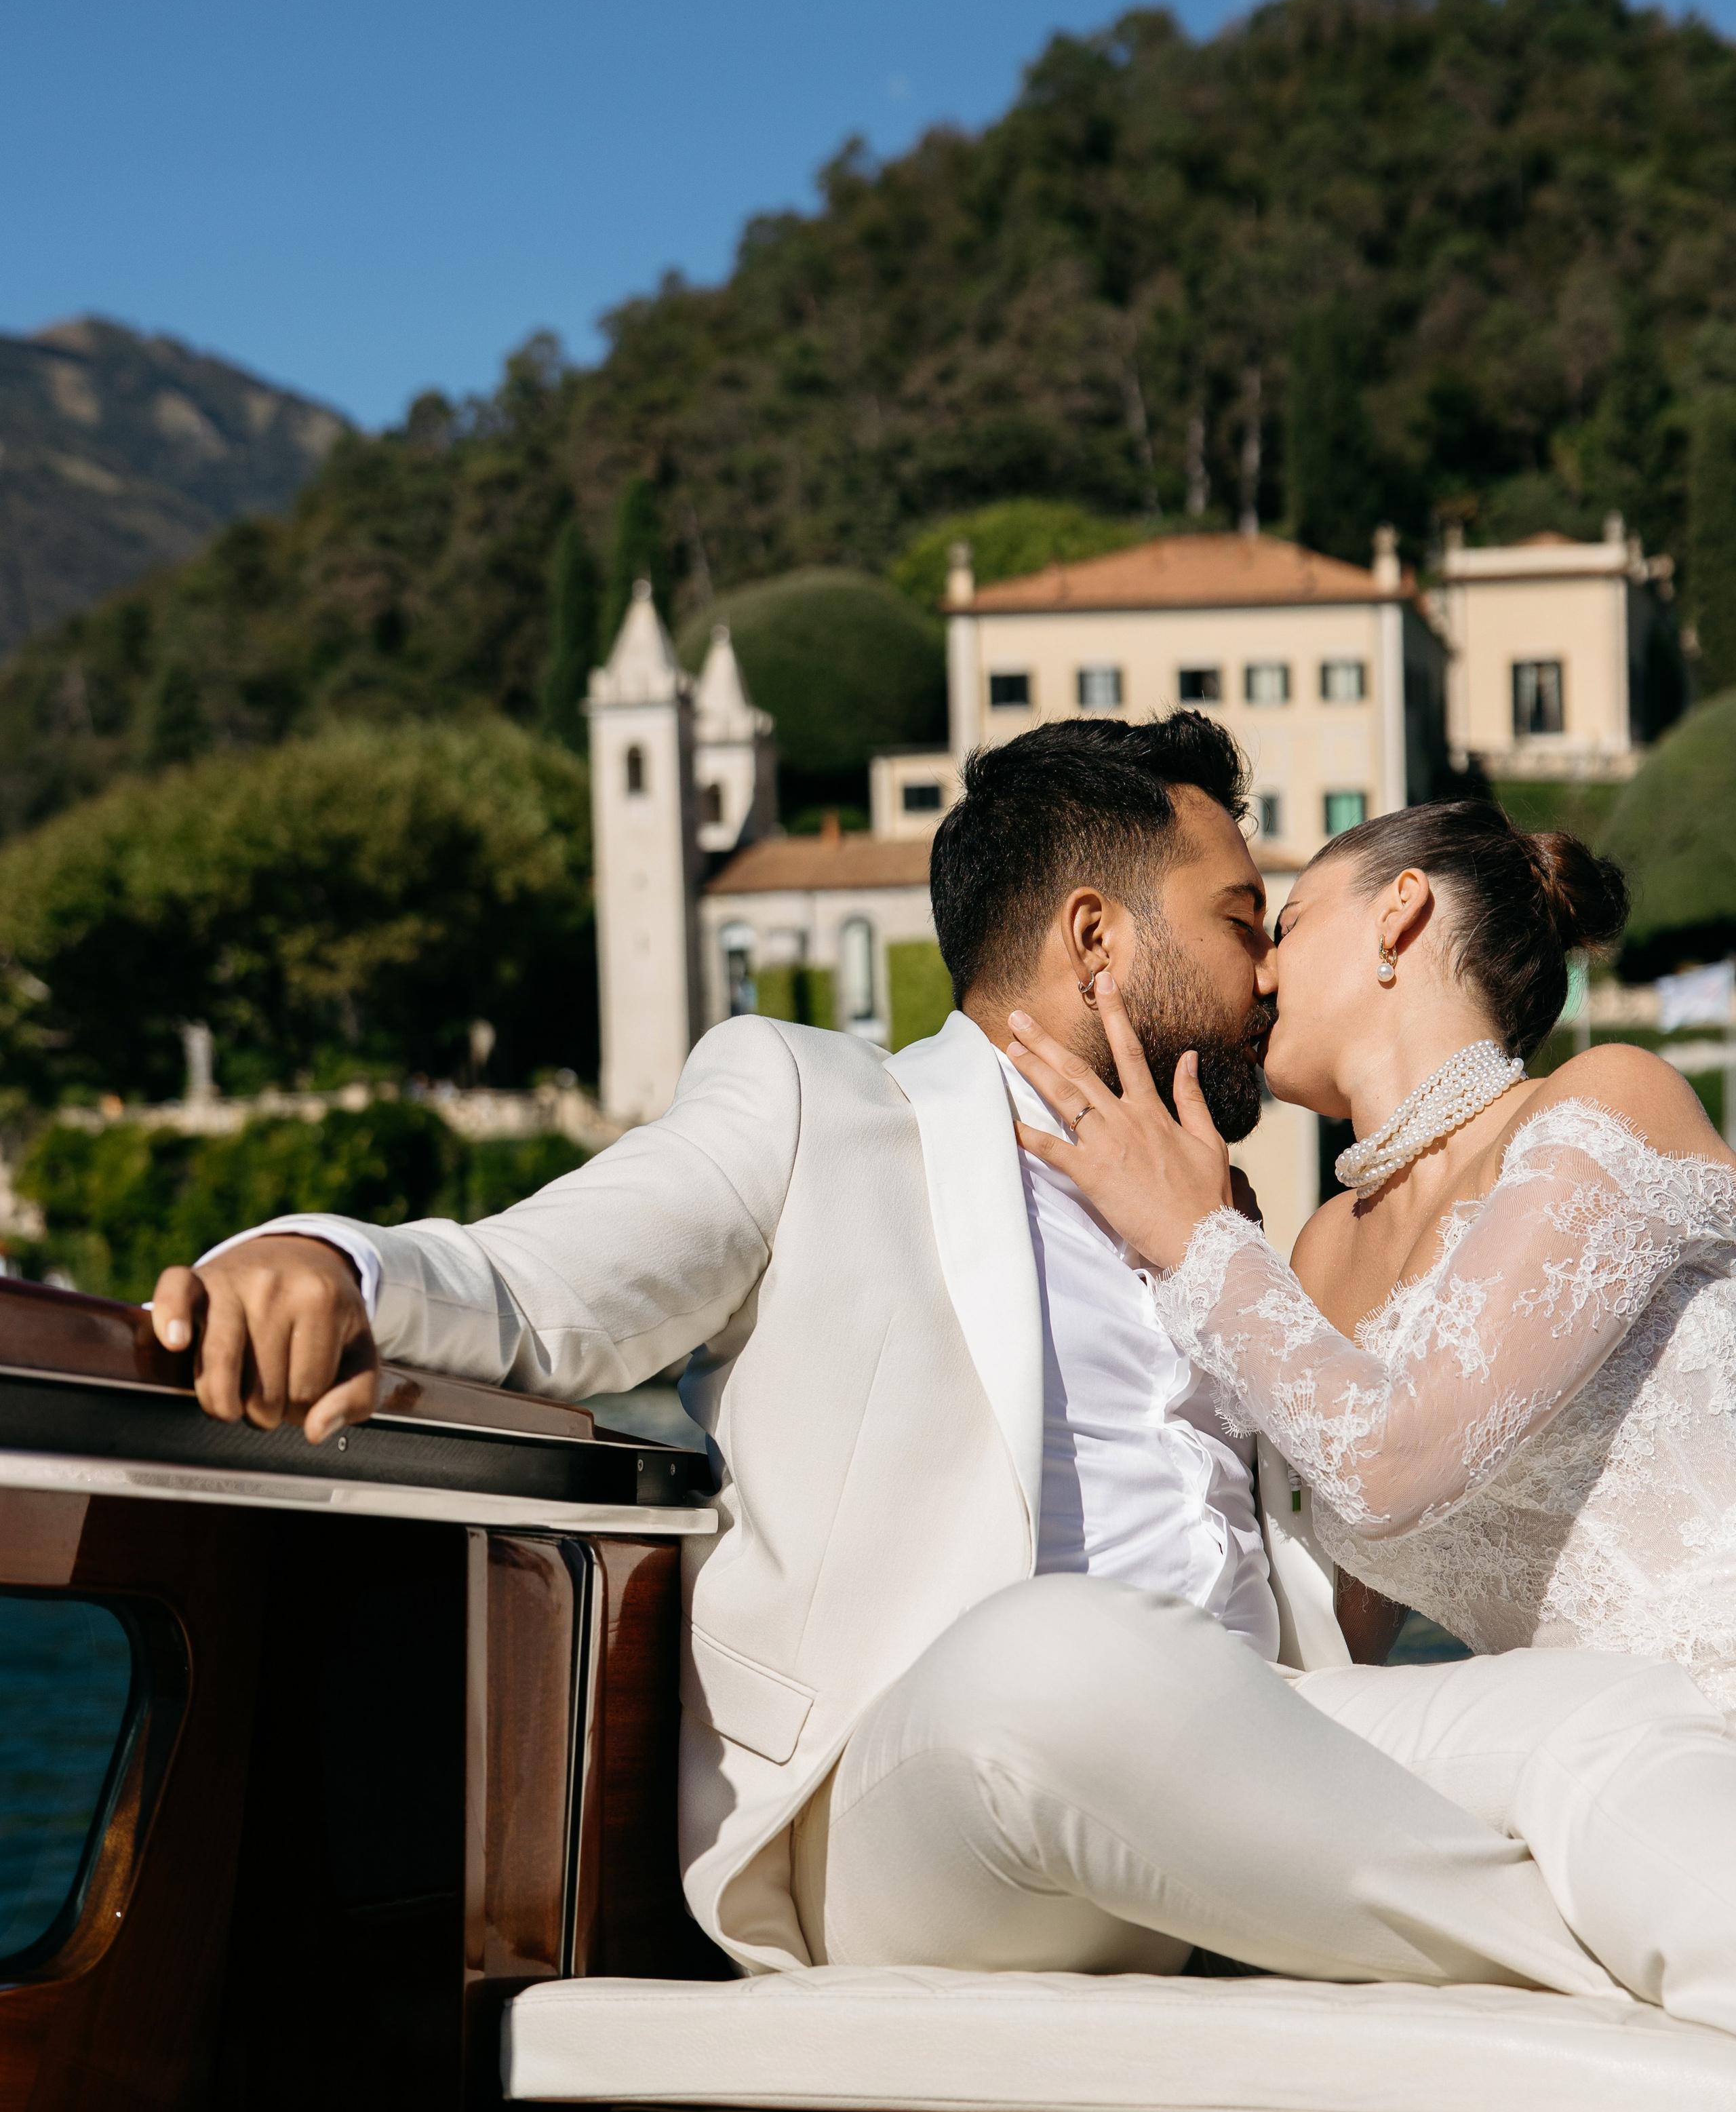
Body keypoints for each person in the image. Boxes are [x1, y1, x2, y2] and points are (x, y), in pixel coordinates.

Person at [151, 723, 1736, 2031]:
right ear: (1095, 937)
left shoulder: (1228, 1224)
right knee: (1055, 1664)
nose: (1265, 979)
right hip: (922, 1807)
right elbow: (539, 1282)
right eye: (1246, 922)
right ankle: (1573, 1976)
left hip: (1262, 1765)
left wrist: (1198, 1241)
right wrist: (331, 1261)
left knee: (1598, 1717)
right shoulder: (812, 1104)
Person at [1007, 792, 1736, 1714]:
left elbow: (1393, 1464)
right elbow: (1333, 1637)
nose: (1259, 974)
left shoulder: (1609, 1102)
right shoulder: (1317, 1253)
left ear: (1399, 913)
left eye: (1289, 923)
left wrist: (1196, 1240)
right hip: (1561, 1771)